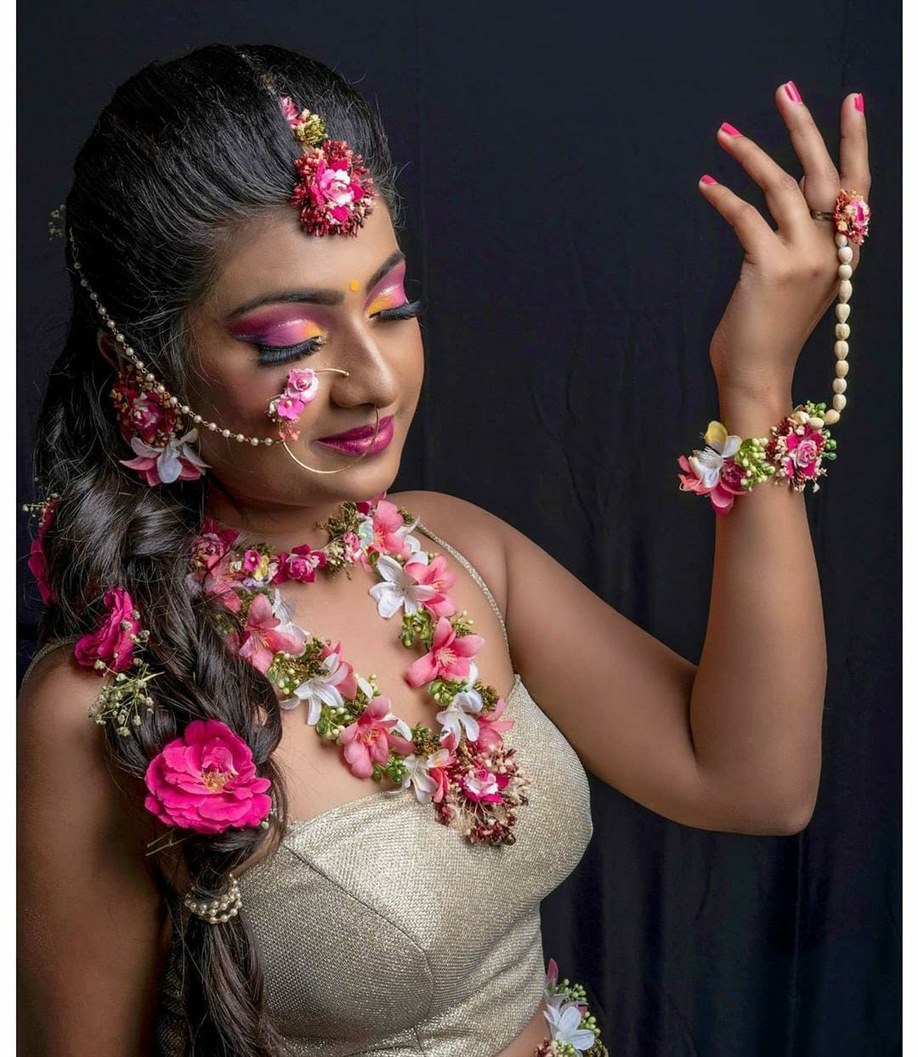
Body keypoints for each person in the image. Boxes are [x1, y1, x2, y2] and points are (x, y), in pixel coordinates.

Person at [16, 42, 870, 1057]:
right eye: (291, 340)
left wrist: (756, 383)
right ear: (143, 367)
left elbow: (756, 780)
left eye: (392, 306)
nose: (375, 379)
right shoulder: (102, 703)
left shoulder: (455, 548)